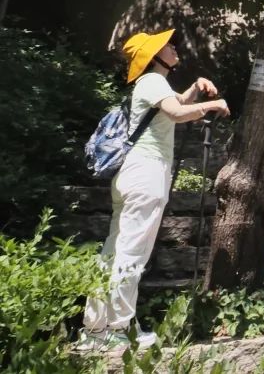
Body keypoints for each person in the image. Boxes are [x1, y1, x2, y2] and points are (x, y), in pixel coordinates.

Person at [78, 28, 230, 351]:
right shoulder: (152, 81)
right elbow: (177, 113)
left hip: (130, 176)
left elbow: (174, 106)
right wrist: (213, 104)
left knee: (114, 250)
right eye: (168, 46)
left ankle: (93, 329)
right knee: (133, 252)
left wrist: (195, 88)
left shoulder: (150, 85)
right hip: (146, 174)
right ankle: (119, 329)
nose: (174, 48)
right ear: (154, 56)